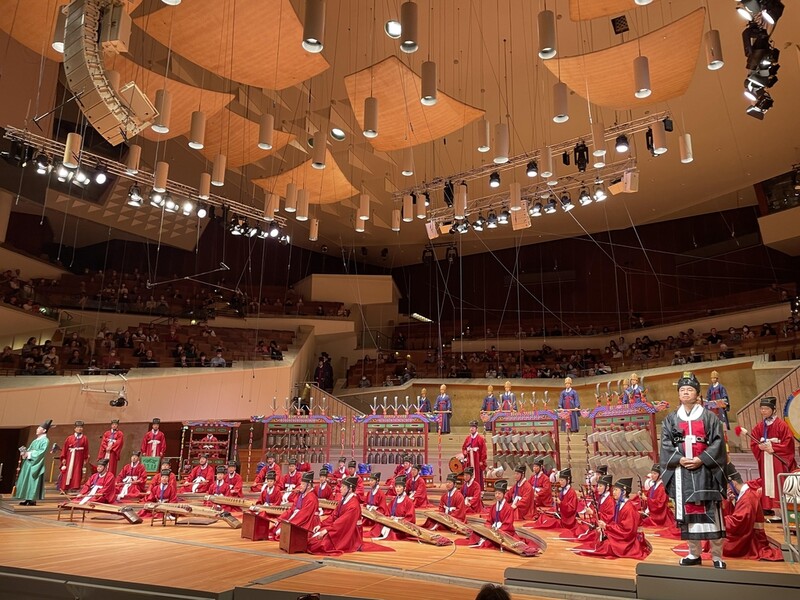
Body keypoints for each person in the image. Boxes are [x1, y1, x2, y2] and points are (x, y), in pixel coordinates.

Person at [660, 371, 728, 569]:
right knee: (688, 514)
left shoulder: (710, 417)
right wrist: (680, 459)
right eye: (682, 390)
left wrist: (701, 459)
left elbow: (717, 442)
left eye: (690, 389)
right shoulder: (671, 419)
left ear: (698, 394)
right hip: (682, 472)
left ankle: (717, 555)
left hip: (706, 470)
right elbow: (666, 444)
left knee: (712, 511)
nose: (685, 393)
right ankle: (693, 553)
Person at [572, 477, 651, 559]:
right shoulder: (620, 505)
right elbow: (615, 523)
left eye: (616, 490)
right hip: (620, 534)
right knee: (601, 539)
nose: (613, 492)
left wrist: (606, 527)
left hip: (627, 540)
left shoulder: (629, 508)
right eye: (613, 490)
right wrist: (605, 529)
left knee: (607, 545)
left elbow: (627, 531)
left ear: (624, 492)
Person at [718, 463, 783, 560]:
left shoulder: (748, 498)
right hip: (747, 535)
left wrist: (718, 521)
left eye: (726, 486)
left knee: (715, 545)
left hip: (752, 541)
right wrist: (728, 502)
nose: (726, 489)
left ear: (733, 483)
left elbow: (738, 521)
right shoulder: (746, 494)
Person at [749, 396, 797, 514]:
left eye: (766, 408)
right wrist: (759, 447)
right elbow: (754, 441)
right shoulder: (759, 426)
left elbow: (788, 443)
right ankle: (770, 508)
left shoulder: (781, 425)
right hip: (766, 460)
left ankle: (782, 510)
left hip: (777, 460)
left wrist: (773, 448)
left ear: (774, 409)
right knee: (768, 483)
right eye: (762, 408)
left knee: (778, 483)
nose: (763, 411)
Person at [308, 476, 364, 555]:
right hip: (340, 527)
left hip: (350, 533)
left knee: (320, 545)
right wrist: (321, 525)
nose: (340, 489)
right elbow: (333, 516)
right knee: (313, 536)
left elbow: (342, 522)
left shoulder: (353, 505)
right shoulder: (344, 500)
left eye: (343, 487)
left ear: (350, 489)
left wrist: (327, 530)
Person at [528, 468, 578, 534]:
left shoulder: (572, 492)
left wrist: (561, 503)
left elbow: (572, 508)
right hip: (560, 514)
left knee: (550, 521)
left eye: (562, 480)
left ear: (568, 480)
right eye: (560, 480)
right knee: (544, 516)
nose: (560, 482)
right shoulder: (562, 491)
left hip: (567, 519)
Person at [15, 419, 52, 506]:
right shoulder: (35, 441)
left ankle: (32, 499)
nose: (37, 429)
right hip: (29, 463)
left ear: (44, 430)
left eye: (39, 428)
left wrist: (29, 454)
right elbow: (29, 450)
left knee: (33, 481)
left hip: (36, 464)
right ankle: (26, 498)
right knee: (27, 480)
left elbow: (41, 452)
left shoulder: (45, 440)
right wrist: (25, 453)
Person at [274, 472, 320, 538]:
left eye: (303, 484)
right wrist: (280, 518)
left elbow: (304, 515)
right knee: (278, 526)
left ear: (308, 486)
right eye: (301, 484)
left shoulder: (312, 498)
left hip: (307, 520)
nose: (300, 486)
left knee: (289, 534)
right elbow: (292, 509)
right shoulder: (300, 495)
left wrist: (290, 523)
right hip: (297, 517)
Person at [372, 476, 415, 541]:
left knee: (392, 531)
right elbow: (387, 512)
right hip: (393, 521)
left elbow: (410, 518)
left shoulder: (408, 501)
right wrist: (388, 518)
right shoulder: (394, 500)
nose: (397, 489)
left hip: (402, 525)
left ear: (404, 488)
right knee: (379, 524)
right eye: (396, 487)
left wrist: (397, 520)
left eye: (400, 487)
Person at [577, 474, 615, 543]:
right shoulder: (602, 498)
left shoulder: (610, 501)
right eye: (598, 486)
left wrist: (593, 513)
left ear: (607, 488)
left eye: (600, 486)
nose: (598, 488)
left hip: (604, 526)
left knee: (588, 532)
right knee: (582, 527)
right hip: (597, 522)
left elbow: (608, 518)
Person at [641, 464, 678, 530]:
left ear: (660, 475)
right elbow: (648, 494)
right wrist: (641, 495)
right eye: (652, 473)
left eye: (655, 473)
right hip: (653, 513)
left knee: (642, 522)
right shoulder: (654, 486)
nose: (652, 475)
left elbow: (660, 503)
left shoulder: (662, 488)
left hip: (661, 515)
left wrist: (647, 499)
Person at [59, 420, 90, 492]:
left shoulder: (84, 438)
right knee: (67, 471)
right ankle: (65, 487)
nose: (79, 429)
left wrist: (85, 459)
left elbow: (86, 449)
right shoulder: (69, 438)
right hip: (70, 456)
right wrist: (64, 458)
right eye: (78, 427)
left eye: (81, 427)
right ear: (75, 428)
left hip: (79, 457)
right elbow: (65, 448)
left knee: (77, 471)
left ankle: (75, 487)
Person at [462, 420, 488, 490]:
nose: (471, 429)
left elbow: (484, 451)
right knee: (468, 473)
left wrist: (482, 460)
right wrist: (465, 452)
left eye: (473, 427)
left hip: (477, 460)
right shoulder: (468, 438)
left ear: (476, 429)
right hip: (469, 460)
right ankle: (468, 489)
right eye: (470, 427)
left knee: (477, 474)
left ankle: (477, 489)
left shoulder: (480, 439)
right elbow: (464, 448)